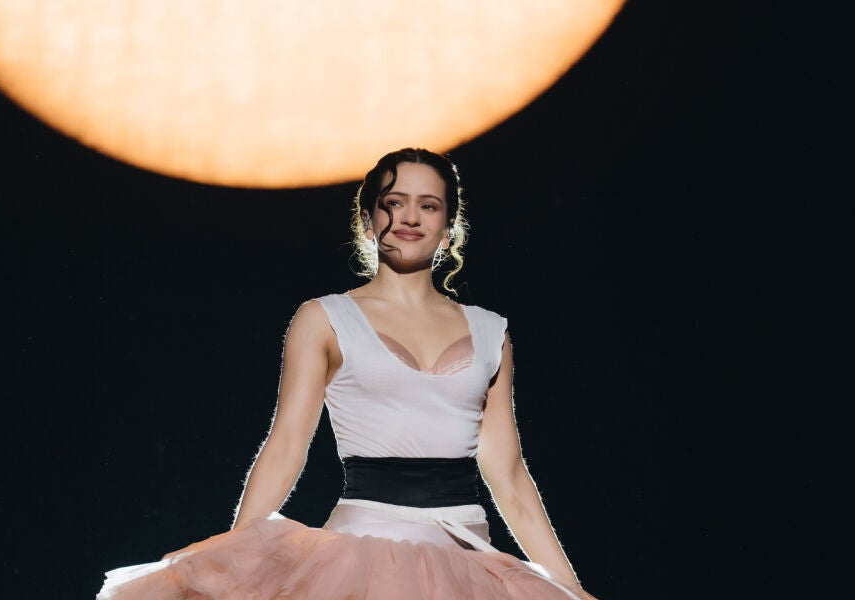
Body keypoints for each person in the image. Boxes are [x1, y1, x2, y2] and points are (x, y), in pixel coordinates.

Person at [96, 148, 598, 600]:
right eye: (394, 202)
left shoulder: (491, 333)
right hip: (362, 560)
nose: (410, 217)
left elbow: (508, 475)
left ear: (449, 225)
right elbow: (286, 446)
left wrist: (570, 587)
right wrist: (233, 569)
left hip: (468, 565)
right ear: (367, 219)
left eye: (428, 205)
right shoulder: (325, 319)